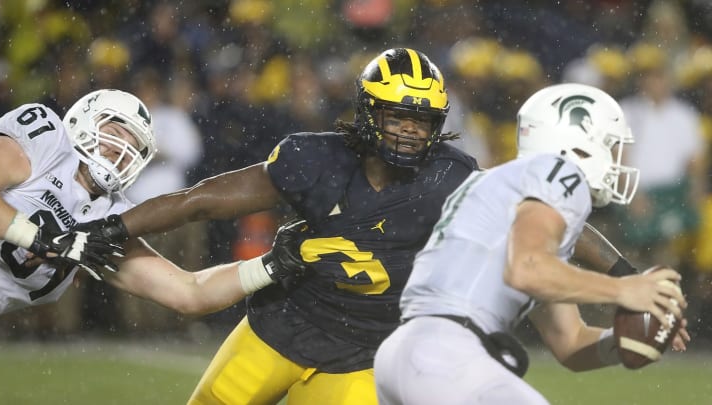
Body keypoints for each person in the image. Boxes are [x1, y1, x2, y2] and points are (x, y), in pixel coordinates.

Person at [70, 50, 647, 405]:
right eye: (397, 115)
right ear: (370, 111)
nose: (409, 132)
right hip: (282, 326)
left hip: (368, 353)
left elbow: (543, 207)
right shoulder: (312, 159)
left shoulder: (452, 178)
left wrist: (628, 273)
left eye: (422, 121)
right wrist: (116, 226)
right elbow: (200, 202)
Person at [373, 83, 689, 405]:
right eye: (609, 145)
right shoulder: (558, 171)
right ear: (578, 142)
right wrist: (626, 289)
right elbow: (527, 270)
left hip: (409, 355)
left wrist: (625, 340)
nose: (616, 159)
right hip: (446, 355)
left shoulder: (510, 194)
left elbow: (571, 343)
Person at [0, 89, 156, 318]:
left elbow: (191, 291)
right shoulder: (47, 142)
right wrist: (43, 239)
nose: (121, 150)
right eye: (115, 133)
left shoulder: (113, 215)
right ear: (83, 122)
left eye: (132, 149)